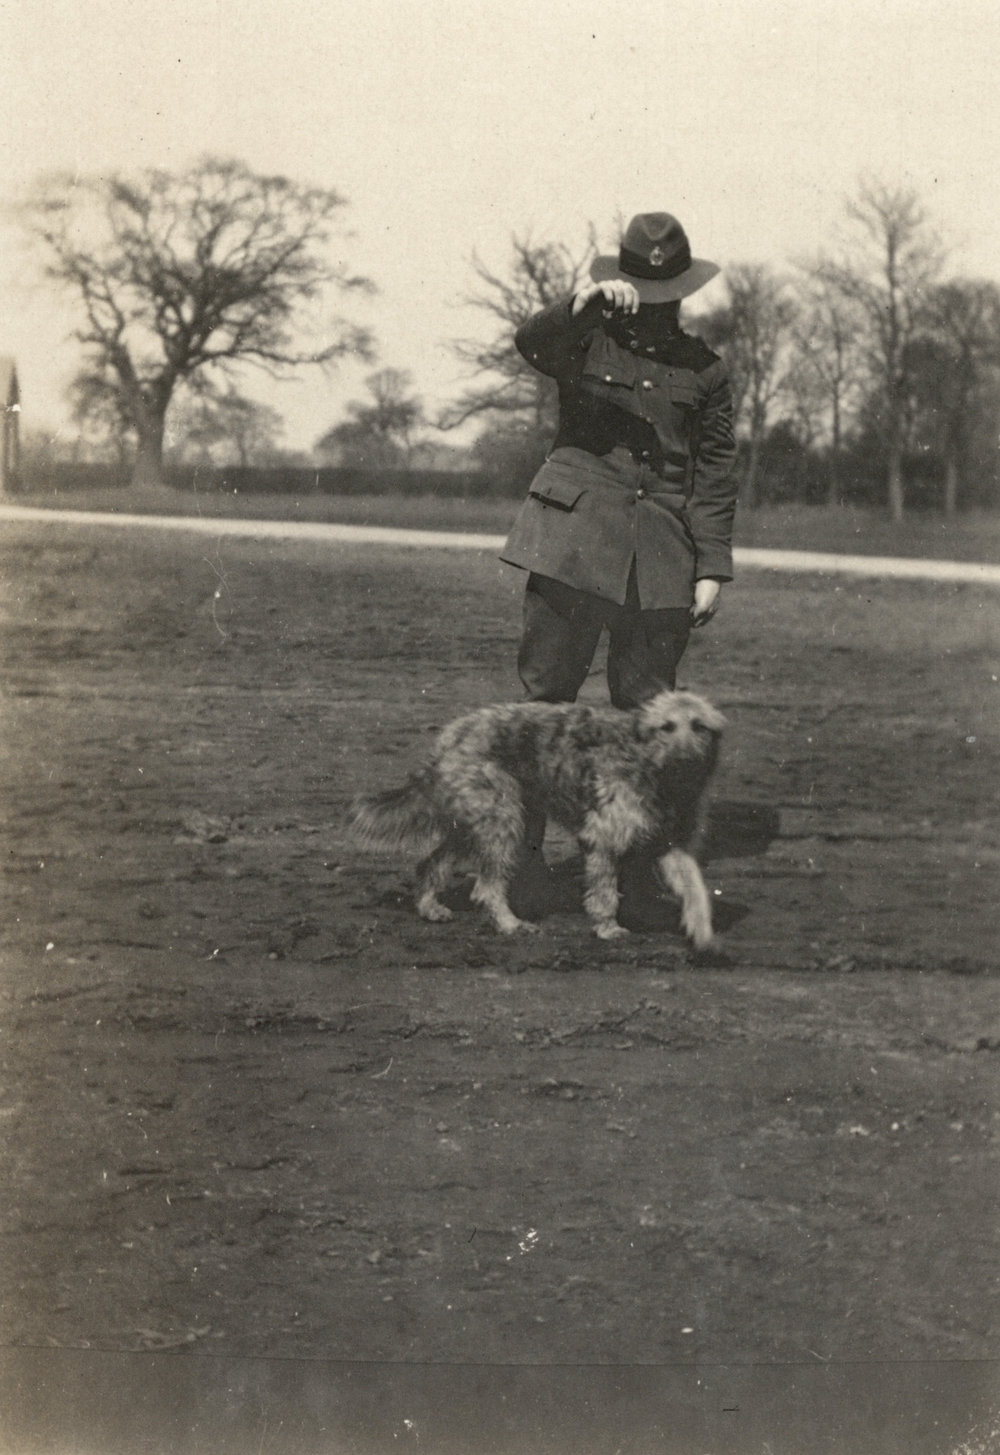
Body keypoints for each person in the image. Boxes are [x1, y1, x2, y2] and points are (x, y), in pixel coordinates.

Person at [499, 211, 738, 910]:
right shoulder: (584, 337)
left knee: (649, 717)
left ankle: (635, 872)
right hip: (572, 549)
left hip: (660, 558)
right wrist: (580, 302)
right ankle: (523, 863)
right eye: (646, 290)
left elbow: (716, 470)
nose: (659, 307)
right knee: (545, 707)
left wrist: (711, 566)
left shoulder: (705, 369)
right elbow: (532, 343)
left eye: (671, 294)